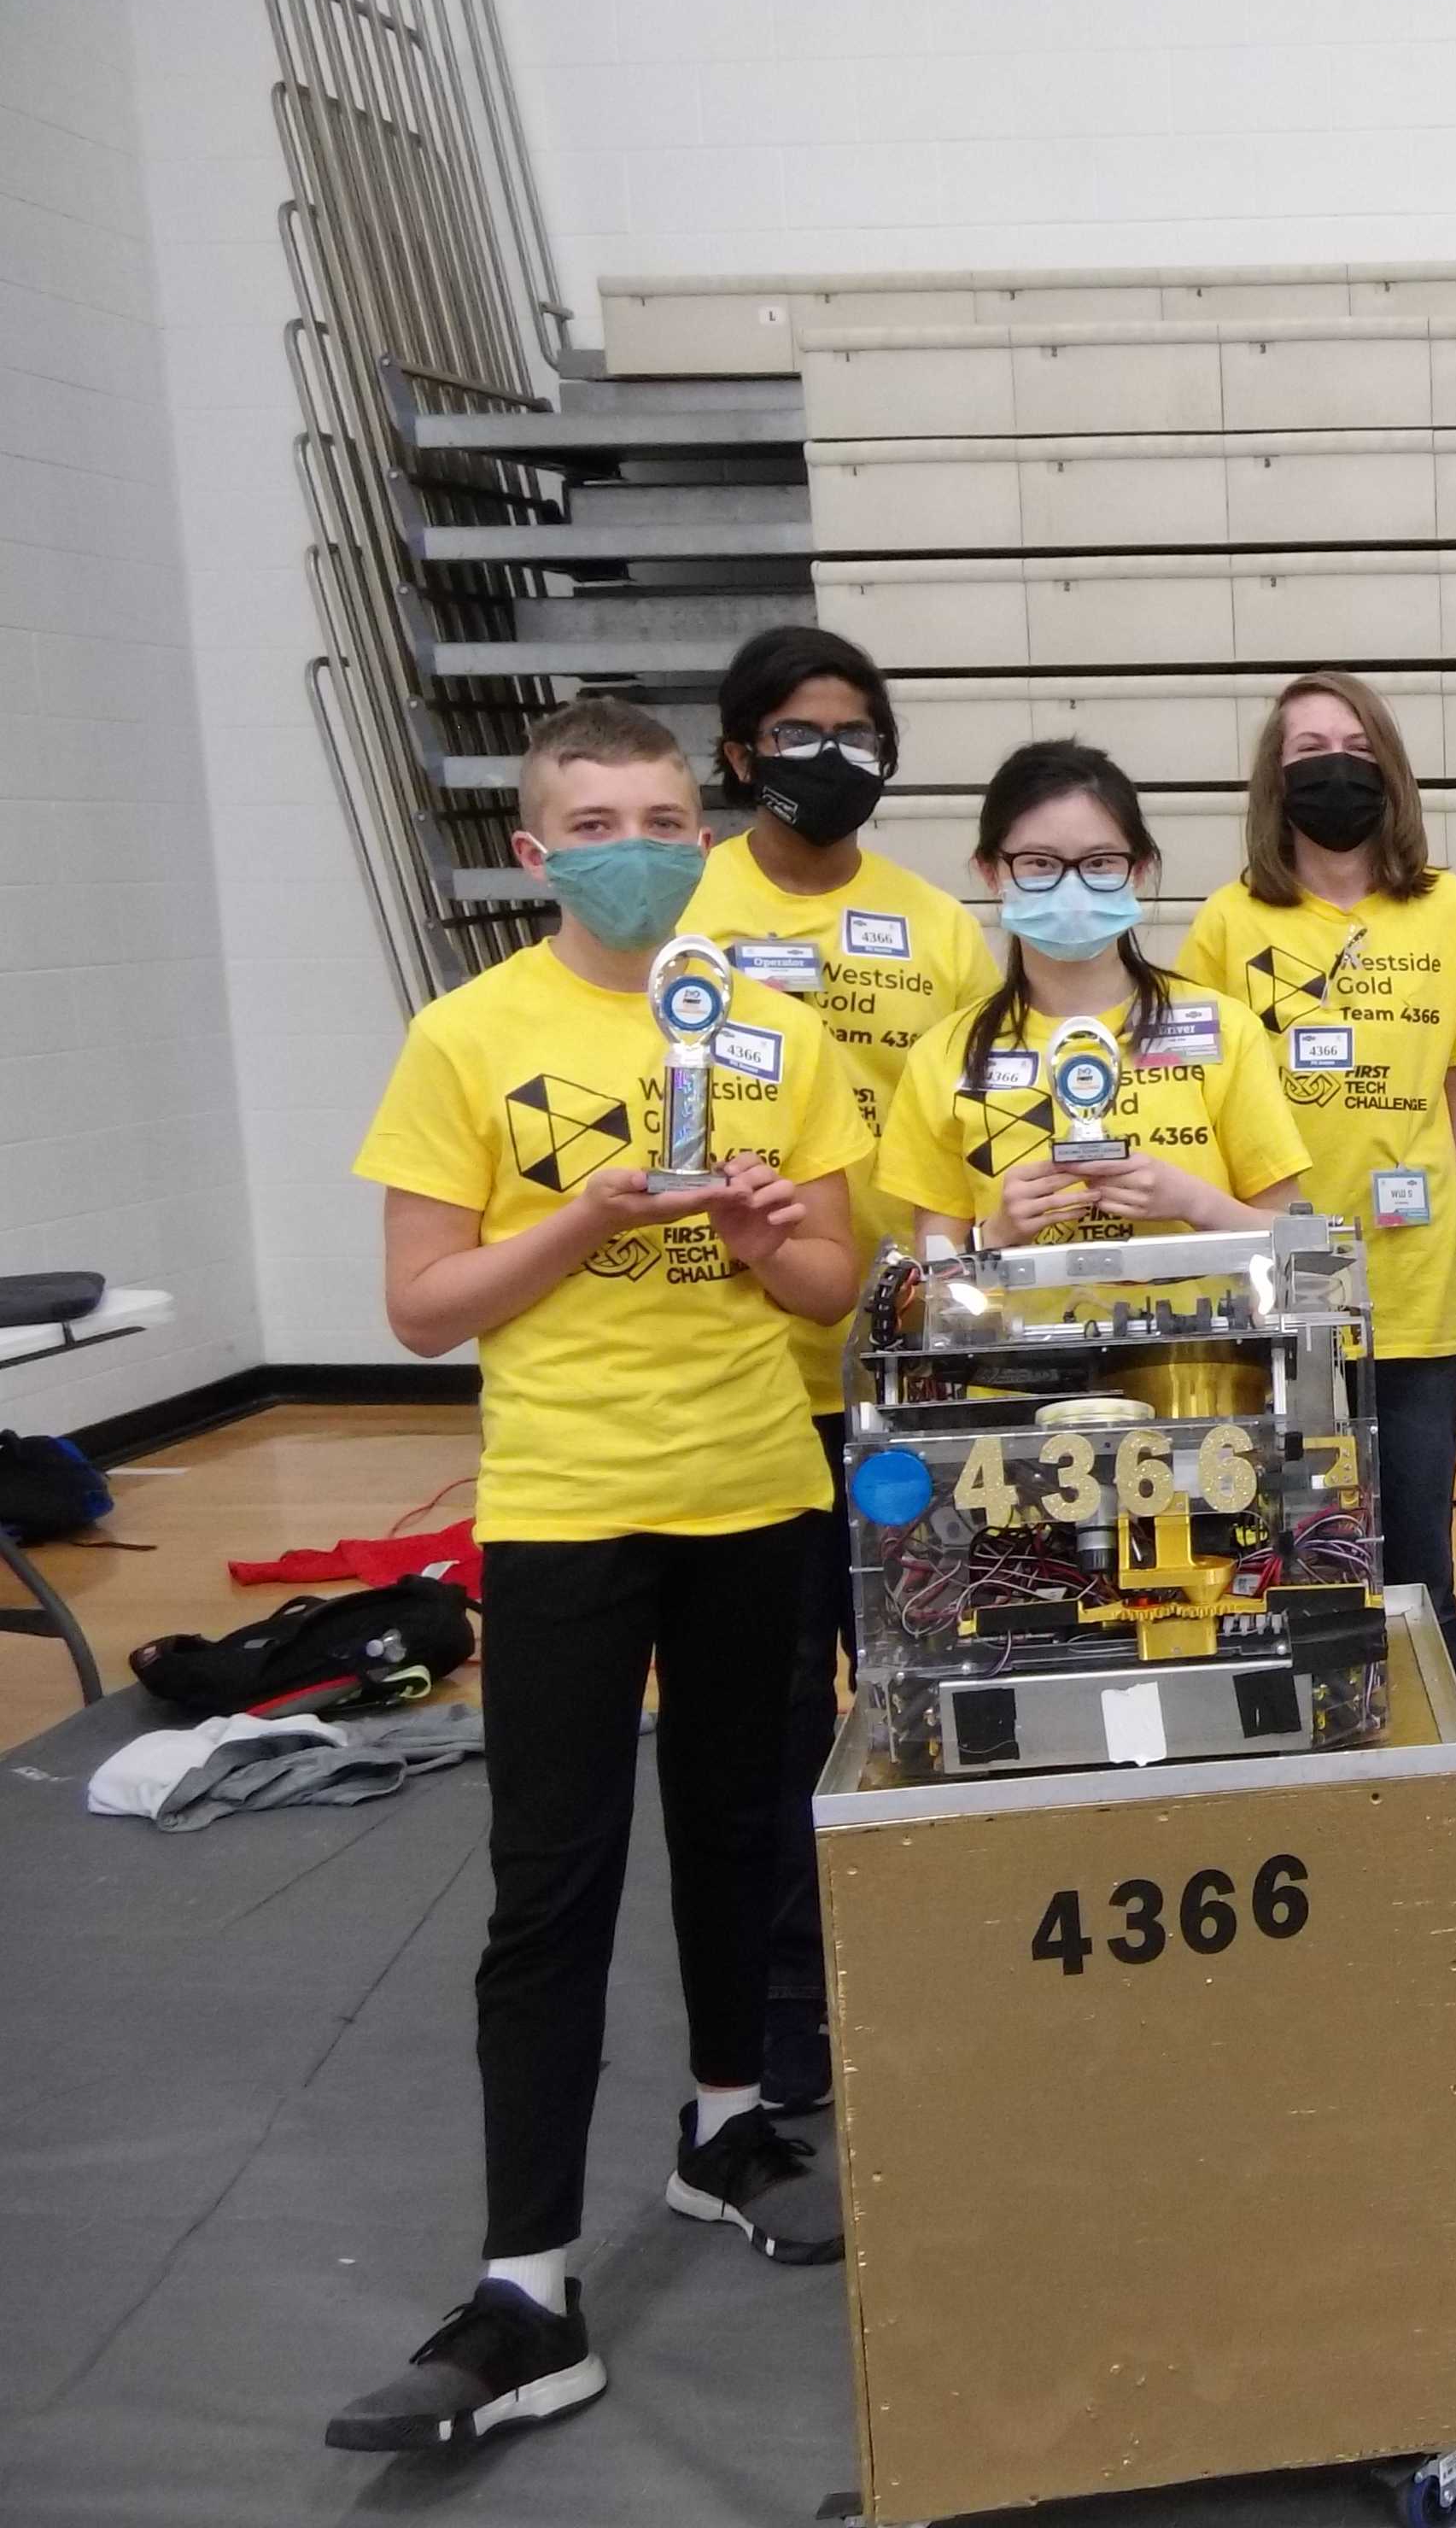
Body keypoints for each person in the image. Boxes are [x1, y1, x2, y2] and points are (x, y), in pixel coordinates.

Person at [332, 697, 872, 2451]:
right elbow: (422, 1307)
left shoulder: (774, 1030)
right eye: (595, 818)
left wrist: (768, 1236)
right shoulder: (464, 1033)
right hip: (563, 1501)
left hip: (750, 1485)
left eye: (661, 813)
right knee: (547, 1883)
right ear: (533, 847)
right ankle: (525, 2285)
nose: (634, 842)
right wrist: (589, 1215)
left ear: (699, 830)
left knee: (739, 1823)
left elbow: (832, 1292)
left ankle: (726, 2123)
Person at [681, 624, 997, 2115]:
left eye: (857, 729)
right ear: (740, 751)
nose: (830, 755)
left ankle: (934, 1952)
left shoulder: (935, 926)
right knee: (775, 1702)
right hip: (748, 1372)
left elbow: (964, 1136)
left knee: (920, 1670)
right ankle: (794, 1988)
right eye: (798, 731)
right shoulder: (686, 905)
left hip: (904, 1357)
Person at [1174, 671, 1456, 1917]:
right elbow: (1199, 1102)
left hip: (1412, 1287)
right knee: (1285, 1547)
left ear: (1390, 765)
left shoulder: (1451, 910)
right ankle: (1305, 1800)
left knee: (1418, 1557)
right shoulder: (1227, 921)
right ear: (1275, 781)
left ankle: (1446, 1811)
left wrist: (1404, 1201)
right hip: (1274, 1281)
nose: (1332, 764)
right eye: (1305, 748)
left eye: (1352, 742)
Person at [876, 739, 1310, 1251]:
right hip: (1014, 1331)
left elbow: (1295, 1241)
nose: (1071, 886)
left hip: (1209, 1333)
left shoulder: (1225, 1029)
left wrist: (1197, 1204)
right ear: (990, 871)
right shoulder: (944, 1057)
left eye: (1101, 862)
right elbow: (929, 1285)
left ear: (1140, 868)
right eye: (1039, 863)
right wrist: (994, 1236)